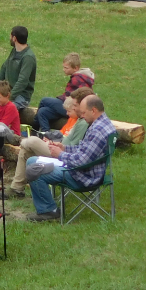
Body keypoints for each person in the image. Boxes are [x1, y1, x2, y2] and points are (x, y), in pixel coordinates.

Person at [25, 94, 116, 222]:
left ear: (93, 110)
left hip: (82, 176)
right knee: (31, 161)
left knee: (34, 169)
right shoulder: (103, 124)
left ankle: (48, 211)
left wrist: (60, 155)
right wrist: (64, 148)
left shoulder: (97, 131)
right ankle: (46, 206)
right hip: (87, 171)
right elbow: (85, 150)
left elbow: (81, 162)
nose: (82, 116)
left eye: (84, 113)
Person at [4, 87, 93, 200]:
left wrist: (58, 147)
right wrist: (55, 143)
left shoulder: (84, 122)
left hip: (62, 156)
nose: (73, 108)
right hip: (59, 149)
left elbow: (74, 146)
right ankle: (17, 189)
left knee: (33, 141)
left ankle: (19, 140)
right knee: (25, 151)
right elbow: (67, 139)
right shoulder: (80, 120)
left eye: (75, 105)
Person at [33, 53, 94, 134]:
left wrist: (58, 99)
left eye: (66, 68)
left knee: (44, 101)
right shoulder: (79, 77)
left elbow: (69, 97)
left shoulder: (77, 79)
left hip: (73, 109)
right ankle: (46, 135)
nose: (63, 69)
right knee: (42, 112)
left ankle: (34, 129)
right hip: (69, 106)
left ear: (75, 68)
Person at [0, 26, 36, 111]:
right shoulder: (14, 51)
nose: (9, 38)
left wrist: (8, 97)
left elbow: (22, 81)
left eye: (10, 36)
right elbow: (4, 69)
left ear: (14, 38)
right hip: (6, 93)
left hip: (20, 96)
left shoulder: (28, 57)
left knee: (5, 110)